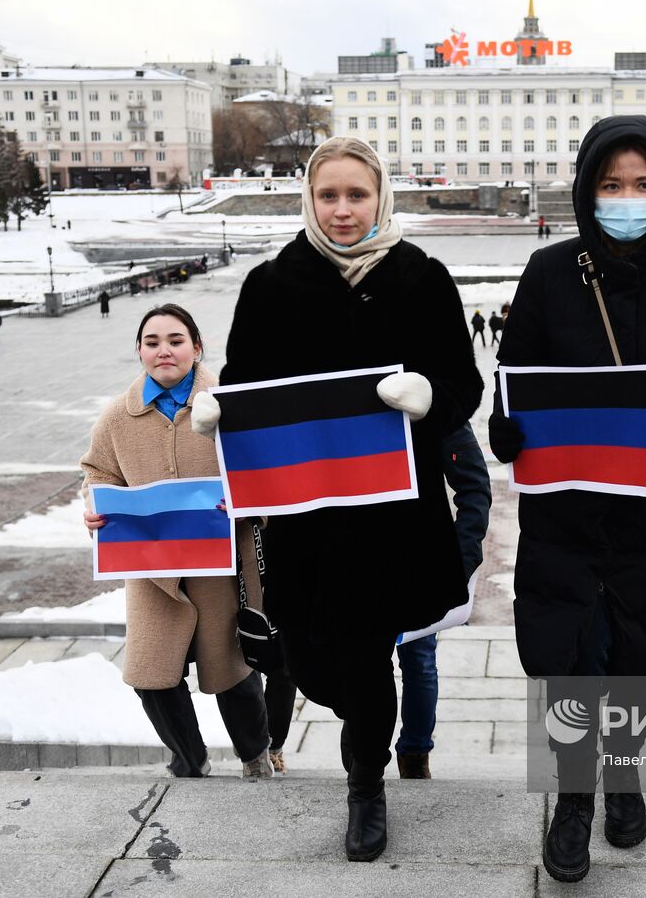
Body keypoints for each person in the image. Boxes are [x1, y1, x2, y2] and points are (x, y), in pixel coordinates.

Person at [195, 136, 482, 862]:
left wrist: (430, 397)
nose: (343, 209)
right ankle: (370, 724)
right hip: (307, 518)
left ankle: (365, 789)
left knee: (366, 654)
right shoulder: (271, 284)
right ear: (309, 199)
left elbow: (464, 385)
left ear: (380, 196)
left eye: (357, 194)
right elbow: (247, 383)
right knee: (309, 661)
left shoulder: (422, 278)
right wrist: (222, 413)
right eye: (329, 195)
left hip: (392, 519)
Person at [489, 115, 646, 883]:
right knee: (572, 663)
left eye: (642, 184)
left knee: (637, 660)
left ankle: (624, 771)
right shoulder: (548, 271)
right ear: (587, 190)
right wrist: (505, 424)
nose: (627, 198)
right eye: (611, 184)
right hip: (567, 516)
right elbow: (515, 374)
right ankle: (574, 798)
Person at [80, 303, 273, 781]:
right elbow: (98, 472)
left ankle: (255, 757)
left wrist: (247, 503)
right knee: (150, 674)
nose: (163, 350)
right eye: (152, 343)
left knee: (230, 671)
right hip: (152, 567)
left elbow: (264, 472)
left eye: (175, 341)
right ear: (140, 351)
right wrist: (96, 507)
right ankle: (190, 758)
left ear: (197, 348)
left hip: (219, 565)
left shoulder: (226, 405)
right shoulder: (118, 416)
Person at [396, 423, 492, 779]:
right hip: (359, 560)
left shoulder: (434, 403)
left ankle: (414, 758)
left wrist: (461, 561)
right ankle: (362, 762)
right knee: (359, 665)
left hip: (421, 563)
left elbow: (475, 485)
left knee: (419, 662)